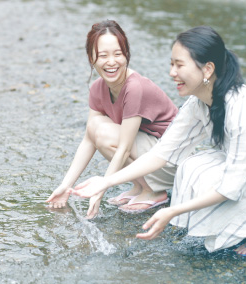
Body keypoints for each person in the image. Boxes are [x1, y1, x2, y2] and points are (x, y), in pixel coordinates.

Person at [71, 25, 246, 256]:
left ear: (207, 70)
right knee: (192, 168)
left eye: (179, 65)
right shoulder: (198, 102)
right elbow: (160, 153)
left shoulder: (244, 110)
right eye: (171, 64)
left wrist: (173, 211)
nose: (171, 73)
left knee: (216, 184)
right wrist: (105, 182)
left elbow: (231, 187)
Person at [46, 20, 178, 218]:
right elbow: (89, 138)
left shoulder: (135, 88)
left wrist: (99, 191)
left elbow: (123, 147)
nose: (111, 62)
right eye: (103, 55)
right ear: (91, 58)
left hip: (169, 161)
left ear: (127, 55)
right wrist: (66, 185)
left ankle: (154, 191)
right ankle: (140, 186)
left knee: (107, 134)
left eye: (118, 54)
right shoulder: (98, 87)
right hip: (149, 151)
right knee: (97, 127)